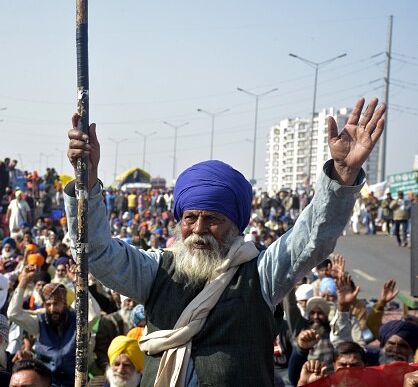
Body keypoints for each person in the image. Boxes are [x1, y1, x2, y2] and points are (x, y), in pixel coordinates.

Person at [64, 97, 386, 386]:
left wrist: (341, 177)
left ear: (235, 226)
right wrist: (87, 184)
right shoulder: (155, 270)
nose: (199, 228)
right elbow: (97, 253)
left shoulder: (261, 274)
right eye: (190, 218)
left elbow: (312, 239)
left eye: (213, 219)